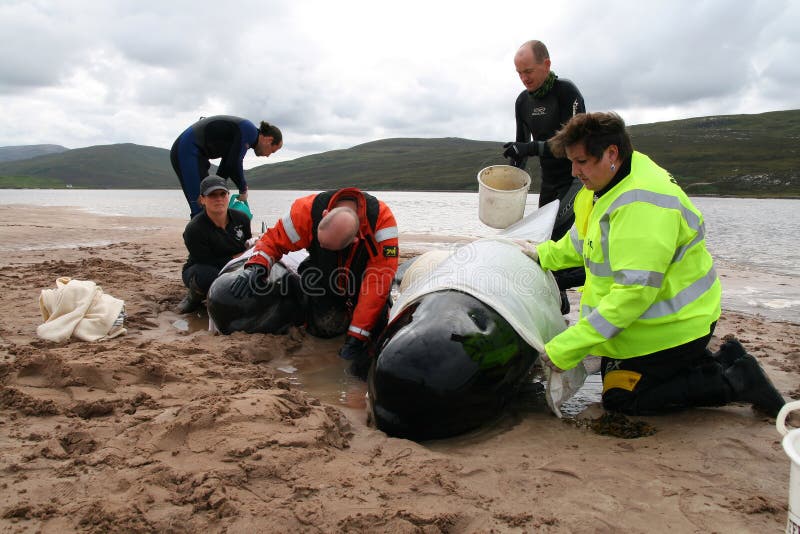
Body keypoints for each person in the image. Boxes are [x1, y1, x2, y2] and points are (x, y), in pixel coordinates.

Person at [528, 111, 785, 417]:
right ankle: (720, 357)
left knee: (621, 399)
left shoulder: (643, 205)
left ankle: (733, 379)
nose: (574, 171)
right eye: (572, 161)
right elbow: (581, 242)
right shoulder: (602, 186)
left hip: (677, 326)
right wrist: (541, 254)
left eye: (582, 161)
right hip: (641, 327)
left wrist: (566, 348)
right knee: (613, 370)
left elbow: (632, 295)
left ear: (611, 153)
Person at [230, 188, 399, 376]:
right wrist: (257, 265)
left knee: (375, 330)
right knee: (324, 329)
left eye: (329, 246)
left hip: (363, 277)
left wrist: (357, 337)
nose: (322, 246)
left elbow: (378, 285)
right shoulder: (306, 211)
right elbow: (273, 240)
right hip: (323, 274)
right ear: (324, 215)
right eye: (321, 243)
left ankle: (357, 328)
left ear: (356, 238)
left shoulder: (381, 224)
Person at [502, 40, 586, 310]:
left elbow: (572, 143)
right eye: (519, 73)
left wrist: (529, 147)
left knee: (556, 238)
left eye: (528, 71)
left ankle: (565, 288)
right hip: (548, 184)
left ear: (546, 65)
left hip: (576, 180)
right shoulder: (522, 102)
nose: (524, 78)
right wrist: (511, 182)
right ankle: (557, 304)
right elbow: (521, 150)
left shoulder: (566, 93)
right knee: (542, 242)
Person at [171, 115, 283, 218]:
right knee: (200, 208)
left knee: (208, 207)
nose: (268, 155)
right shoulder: (249, 130)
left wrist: (218, 187)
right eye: (272, 151)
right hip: (187, 150)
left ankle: (211, 238)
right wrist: (243, 189)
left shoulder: (247, 135)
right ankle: (198, 238)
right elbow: (233, 163)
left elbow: (227, 164)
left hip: (195, 153)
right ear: (269, 140)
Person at [178, 175, 252, 313]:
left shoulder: (242, 218)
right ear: (202, 199)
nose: (218, 198)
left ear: (228, 196)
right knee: (208, 275)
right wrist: (236, 258)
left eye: (222, 194)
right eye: (212, 195)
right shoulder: (194, 229)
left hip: (237, 265)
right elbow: (206, 261)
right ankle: (194, 297)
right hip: (202, 268)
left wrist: (254, 246)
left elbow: (247, 245)